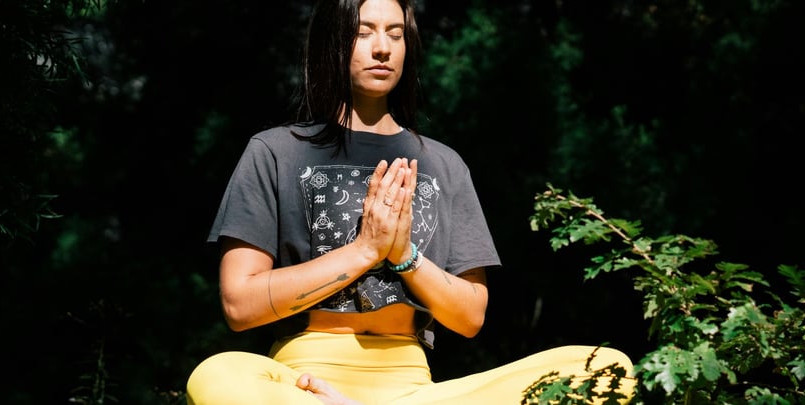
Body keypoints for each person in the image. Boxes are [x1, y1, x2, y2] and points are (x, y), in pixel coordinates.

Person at [184, 0, 637, 404]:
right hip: (301, 383)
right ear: (330, 42)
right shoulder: (274, 151)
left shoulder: (444, 163)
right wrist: (363, 250)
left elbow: (470, 316)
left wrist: (403, 255)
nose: (382, 48)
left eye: (395, 34)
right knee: (217, 375)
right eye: (363, 32)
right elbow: (240, 306)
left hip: (414, 389)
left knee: (607, 369)